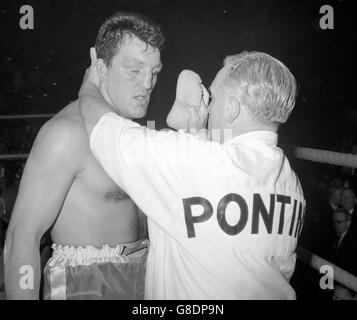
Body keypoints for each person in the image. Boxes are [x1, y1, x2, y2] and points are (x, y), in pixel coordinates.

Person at [79, 49, 305, 299]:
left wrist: (91, 85)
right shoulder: (290, 183)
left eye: (215, 98)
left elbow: (106, 132)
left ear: (232, 107)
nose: (208, 108)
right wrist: (195, 132)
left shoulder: (201, 164)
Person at [4, 12, 164, 300]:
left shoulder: (131, 132)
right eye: (134, 70)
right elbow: (21, 237)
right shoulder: (66, 134)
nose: (148, 83)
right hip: (88, 286)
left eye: (154, 72)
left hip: (145, 278)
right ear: (101, 68)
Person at [330, 208, 357, 299]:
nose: (335, 225)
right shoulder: (336, 238)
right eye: (334, 222)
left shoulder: (353, 242)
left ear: (348, 222)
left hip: (347, 290)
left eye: (339, 222)